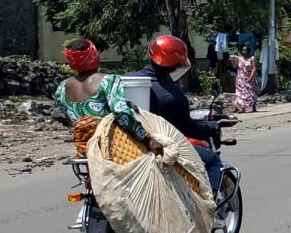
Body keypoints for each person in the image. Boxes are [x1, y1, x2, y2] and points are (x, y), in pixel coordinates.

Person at [128, 35, 235, 193]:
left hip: (130, 142)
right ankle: (208, 211)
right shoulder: (172, 95)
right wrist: (212, 126)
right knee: (211, 160)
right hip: (159, 145)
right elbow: (188, 128)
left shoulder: (129, 79)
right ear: (174, 65)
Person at [55, 38, 162, 158]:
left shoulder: (62, 88)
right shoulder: (109, 81)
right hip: (114, 147)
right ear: (94, 57)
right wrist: (147, 138)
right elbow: (121, 112)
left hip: (84, 148)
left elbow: (64, 116)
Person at [231, 44, 258, 113]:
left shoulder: (252, 58)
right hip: (240, 79)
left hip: (249, 78)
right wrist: (233, 61)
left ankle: (253, 106)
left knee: (251, 93)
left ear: (248, 51)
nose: (244, 51)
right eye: (243, 50)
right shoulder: (239, 59)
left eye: (245, 50)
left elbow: (254, 68)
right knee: (240, 93)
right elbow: (235, 67)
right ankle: (242, 108)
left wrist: (251, 77)